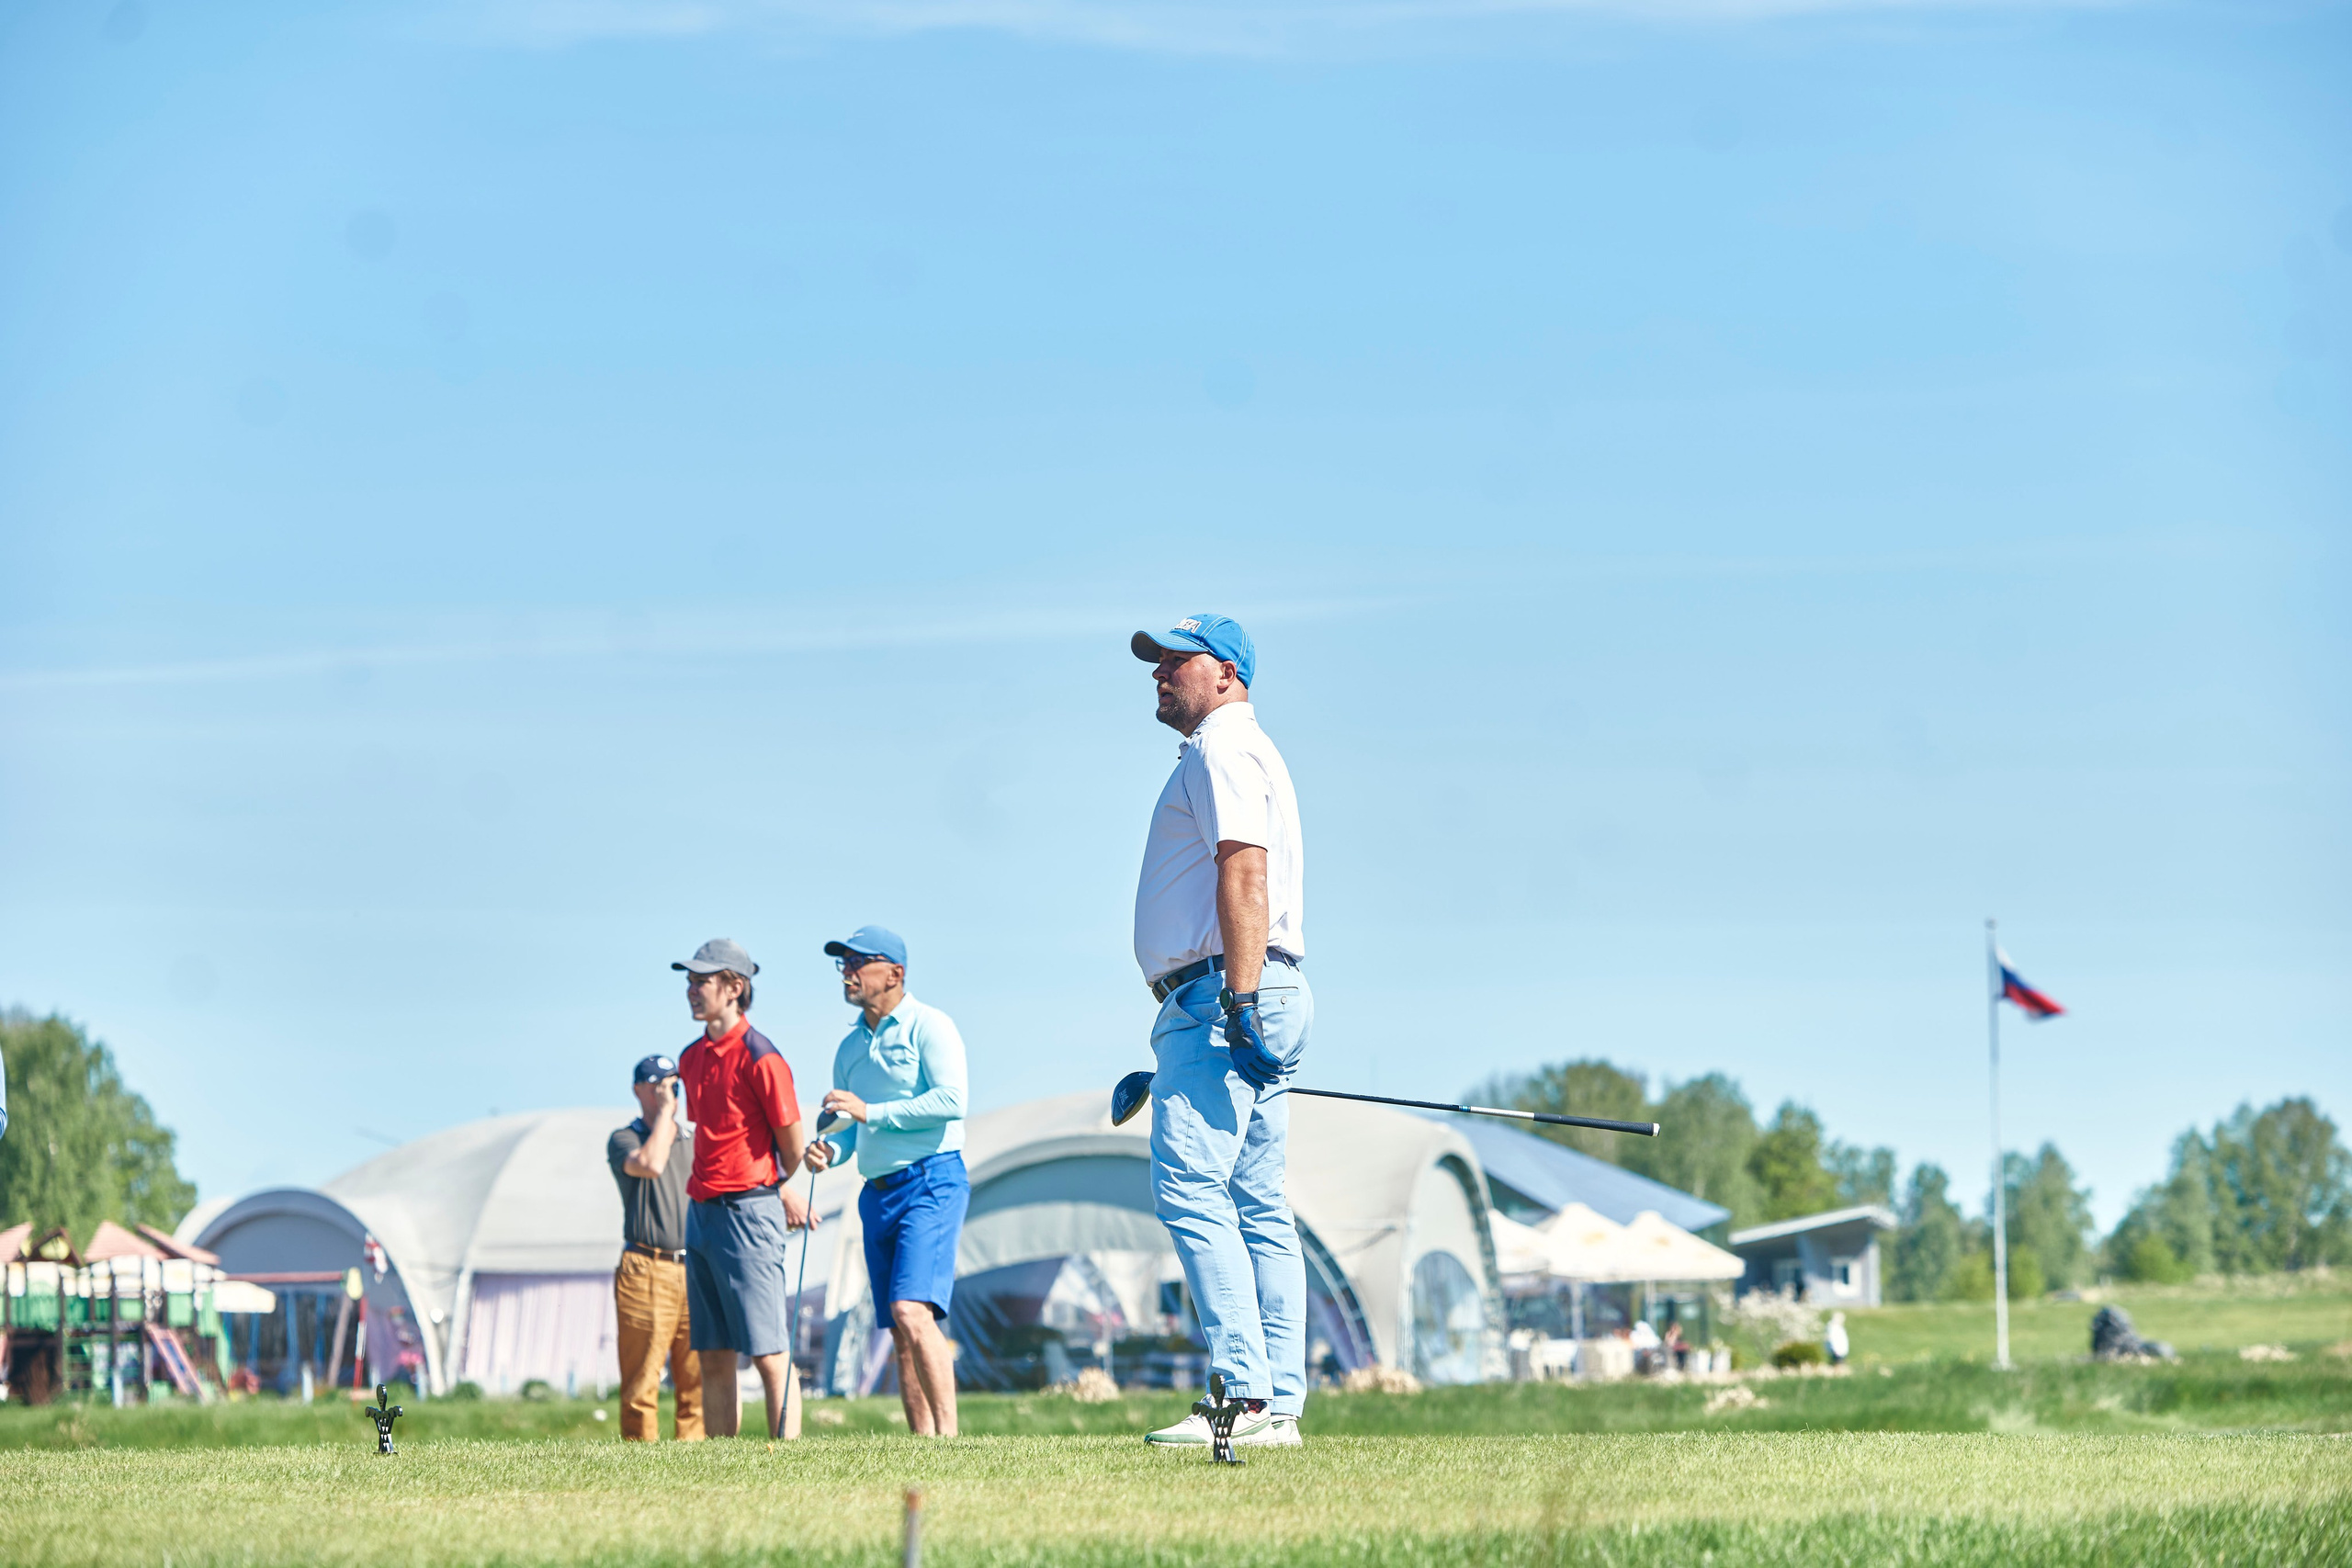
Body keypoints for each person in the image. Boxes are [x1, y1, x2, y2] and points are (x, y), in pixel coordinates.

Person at [1127, 613, 1310, 1449]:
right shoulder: (1244, 748)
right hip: (1254, 984)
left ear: (1227, 674)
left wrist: (1236, 1000)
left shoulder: (1220, 748)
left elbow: (1244, 870)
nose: (1160, 672)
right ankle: (1278, 1406)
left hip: (1225, 987)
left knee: (1193, 1188)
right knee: (1257, 1201)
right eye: (1157, 661)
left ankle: (1245, 1394)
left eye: (1178, 661)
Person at [803, 926, 969, 1438]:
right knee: (899, 1328)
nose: (847, 973)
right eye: (844, 963)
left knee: (910, 1310)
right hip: (876, 1193)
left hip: (932, 1180)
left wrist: (870, 1111)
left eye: (859, 962)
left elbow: (952, 1101)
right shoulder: (849, 1048)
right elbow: (852, 1133)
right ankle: (924, 1442)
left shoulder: (930, 1025)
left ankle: (949, 1440)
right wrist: (829, 1153)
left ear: (895, 973)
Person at [672, 937, 816, 1439]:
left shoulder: (762, 1058)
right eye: (689, 981)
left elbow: (792, 1148)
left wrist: (770, 1191)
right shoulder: (691, 1058)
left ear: (734, 987)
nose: (692, 990)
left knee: (769, 1352)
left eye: (702, 981)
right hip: (701, 1214)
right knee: (712, 1354)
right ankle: (723, 1464)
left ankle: (786, 1463)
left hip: (749, 1215)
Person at [606, 1053, 703, 1441]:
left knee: (698, 1379)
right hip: (646, 1266)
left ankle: (694, 1460)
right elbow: (650, 1164)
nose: (668, 1091)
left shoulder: (693, 1140)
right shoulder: (625, 1138)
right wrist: (665, 1113)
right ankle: (640, 1459)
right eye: (657, 1085)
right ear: (637, 1090)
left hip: (694, 1268)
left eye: (672, 1084)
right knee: (642, 1380)